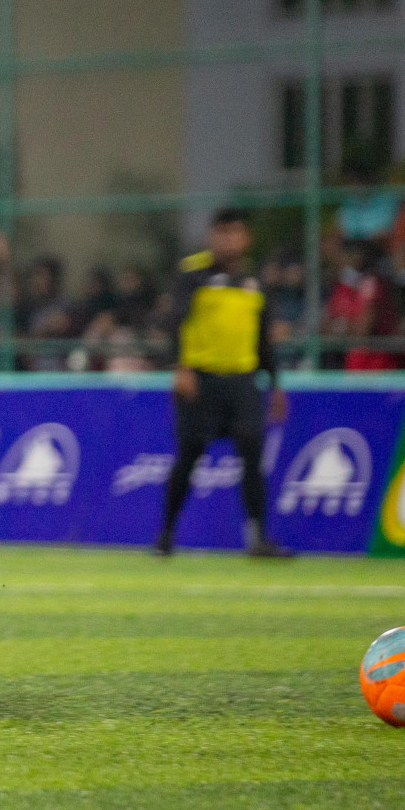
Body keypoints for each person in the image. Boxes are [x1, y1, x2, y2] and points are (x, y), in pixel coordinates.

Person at [156, 209, 291, 558]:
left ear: (246, 238)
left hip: (243, 382)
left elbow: (263, 339)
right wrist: (180, 368)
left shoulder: (256, 282)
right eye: (222, 232)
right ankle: (166, 533)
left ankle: (257, 538)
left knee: (252, 454)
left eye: (235, 232)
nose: (228, 240)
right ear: (211, 236)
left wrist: (275, 384)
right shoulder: (193, 274)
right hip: (200, 380)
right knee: (188, 455)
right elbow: (175, 323)